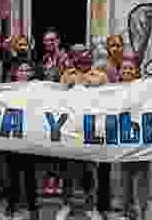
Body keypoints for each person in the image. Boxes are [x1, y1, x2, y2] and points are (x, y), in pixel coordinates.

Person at [56, 44, 104, 220]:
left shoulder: (100, 76)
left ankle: (91, 206)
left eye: (84, 53)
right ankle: (66, 204)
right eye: (78, 54)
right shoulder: (67, 76)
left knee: (90, 170)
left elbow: (111, 98)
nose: (82, 56)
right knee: (67, 171)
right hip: (70, 129)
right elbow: (58, 100)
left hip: (91, 129)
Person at [37, 27, 73, 196]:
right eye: (47, 40)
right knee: (49, 146)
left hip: (62, 107)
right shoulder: (44, 59)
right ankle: (50, 179)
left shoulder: (65, 59)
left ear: (58, 41)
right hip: (47, 107)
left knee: (61, 145)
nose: (49, 43)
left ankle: (60, 181)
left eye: (52, 40)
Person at [118, 51, 152, 220]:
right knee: (125, 181)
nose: (127, 71)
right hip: (122, 142)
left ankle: (141, 214)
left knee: (141, 181)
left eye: (131, 68)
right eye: (124, 68)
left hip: (140, 142)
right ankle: (126, 213)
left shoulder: (144, 89)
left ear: (136, 72)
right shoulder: (112, 90)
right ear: (119, 71)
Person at [4, 62, 40, 220]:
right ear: (16, 73)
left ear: (31, 73)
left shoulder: (38, 89)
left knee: (29, 174)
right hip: (13, 136)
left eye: (27, 70)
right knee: (12, 174)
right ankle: (12, 204)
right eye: (21, 70)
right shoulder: (8, 89)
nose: (24, 73)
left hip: (30, 137)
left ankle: (33, 206)